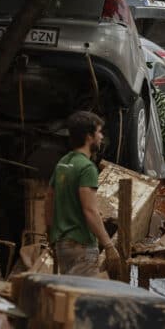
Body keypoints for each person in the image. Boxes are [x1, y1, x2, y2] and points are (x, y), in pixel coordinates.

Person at [46, 111, 121, 278]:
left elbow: (49, 198)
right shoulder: (87, 168)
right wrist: (108, 245)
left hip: (63, 245)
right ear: (89, 137)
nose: (101, 137)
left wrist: (52, 234)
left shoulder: (63, 163)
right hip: (81, 246)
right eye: (99, 132)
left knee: (70, 296)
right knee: (83, 299)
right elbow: (89, 211)